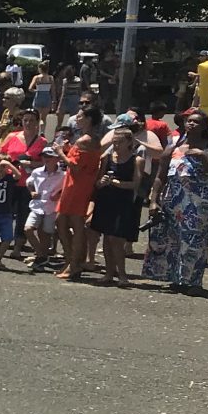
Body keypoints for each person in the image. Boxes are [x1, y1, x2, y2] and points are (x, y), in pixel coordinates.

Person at [143, 109, 208, 293]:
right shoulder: (173, 147)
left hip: (199, 204)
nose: (191, 124)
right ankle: (176, 278)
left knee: (194, 241)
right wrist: (154, 201)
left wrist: (203, 157)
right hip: (173, 201)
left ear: (205, 127)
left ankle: (192, 282)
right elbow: (160, 176)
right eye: (189, 121)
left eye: (196, 122)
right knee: (173, 240)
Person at [90, 124, 143, 288]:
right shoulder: (107, 158)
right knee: (106, 238)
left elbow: (135, 184)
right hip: (106, 200)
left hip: (123, 202)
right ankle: (108, 273)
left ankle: (122, 275)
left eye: (119, 142)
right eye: (114, 142)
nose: (116, 145)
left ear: (129, 142)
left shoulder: (136, 160)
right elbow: (97, 183)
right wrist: (102, 182)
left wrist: (117, 183)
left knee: (117, 239)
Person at [54, 110, 104, 281]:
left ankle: (74, 263)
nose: (77, 118)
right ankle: (72, 260)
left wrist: (60, 152)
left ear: (89, 119)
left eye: (81, 116)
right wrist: (68, 149)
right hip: (77, 184)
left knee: (74, 223)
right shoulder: (90, 139)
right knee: (62, 221)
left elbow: (75, 166)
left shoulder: (85, 140)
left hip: (77, 185)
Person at [24, 145, 65, 270]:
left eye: (50, 157)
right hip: (37, 205)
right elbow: (29, 182)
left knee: (46, 233)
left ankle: (41, 258)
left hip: (51, 207)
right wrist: (32, 191)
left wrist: (58, 194)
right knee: (28, 229)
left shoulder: (63, 175)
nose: (46, 159)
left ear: (57, 159)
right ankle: (41, 254)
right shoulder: (37, 172)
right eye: (44, 156)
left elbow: (67, 188)